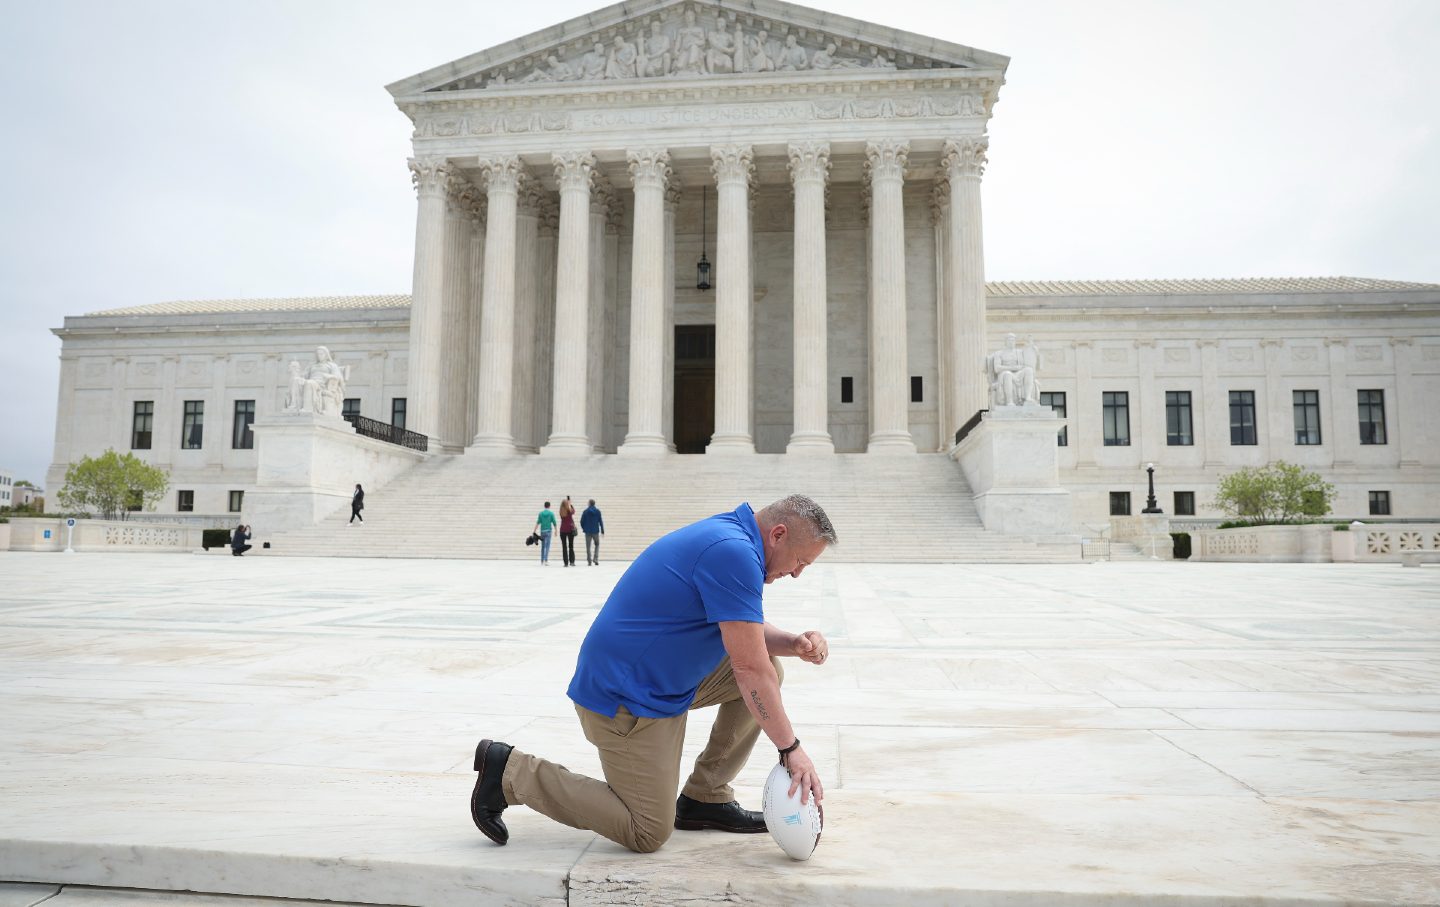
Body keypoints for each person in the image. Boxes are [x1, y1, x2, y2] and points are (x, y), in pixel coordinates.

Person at [470, 494, 836, 854]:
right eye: (800, 561)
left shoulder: (734, 538)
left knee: (771, 666)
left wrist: (792, 642)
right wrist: (791, 749)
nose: (798, 573)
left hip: (655, 679)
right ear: (778, 535)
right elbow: (748, 669)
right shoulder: (735, 553)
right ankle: (510, 773)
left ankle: (704, 798)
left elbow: (745, 632)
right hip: (625, 699)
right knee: (646, 829)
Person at [581, 498, 605, 566]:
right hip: (595, 531)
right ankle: (595, 559)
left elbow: (581, 521)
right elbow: (600, 521)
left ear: (589, 503)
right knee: (597, 545)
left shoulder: (585, 511)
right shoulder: (598, 511)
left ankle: (589, 561)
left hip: (587, 531)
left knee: (588, 547)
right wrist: (602, 531)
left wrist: (584, 528)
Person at [534, 501, 557, 566]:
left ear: (544, 506)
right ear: (549, 506)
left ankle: (542, 560)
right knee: (547, 546)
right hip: (549, 531)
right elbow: (554, 522)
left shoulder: (541, 514)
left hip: (542, 531)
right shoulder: (551, 513)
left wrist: (534, 531)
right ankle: (546, 560)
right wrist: (556, 530)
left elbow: (538, 522)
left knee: (543, 546)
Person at [558, 496, 578, 567]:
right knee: (571, 546)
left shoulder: (561, 511)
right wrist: (570, 504)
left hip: (562, 530)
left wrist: (568, 504)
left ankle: (566, 563)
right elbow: (573, 511)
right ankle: (572, 562)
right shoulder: (569, 510)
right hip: (570, 529)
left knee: (564, 547)